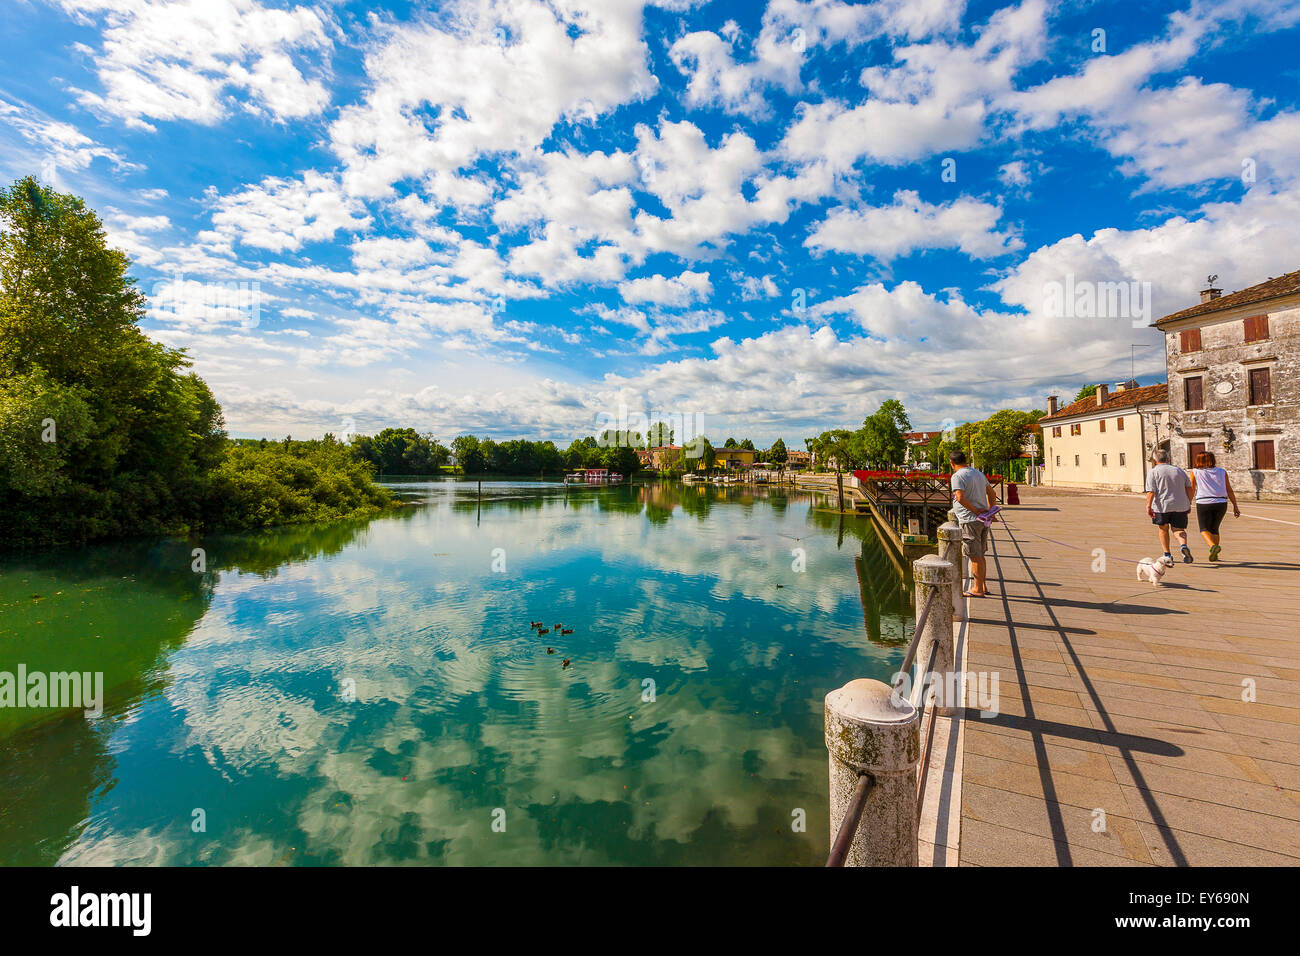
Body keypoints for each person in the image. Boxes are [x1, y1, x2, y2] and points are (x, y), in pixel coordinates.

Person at [949, 451, 996, 597]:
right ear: (966, 460)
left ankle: (977, 589)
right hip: (983, 519)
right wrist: (989, 511)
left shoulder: (957, 476)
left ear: (952, 463)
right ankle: (982, 585)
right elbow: (992, 494)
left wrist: (975, 510)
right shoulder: (978, 474)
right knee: (980, 554)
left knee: (974, 555)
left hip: (969, 519)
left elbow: (960, 497)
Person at [1144, 448, 1194, 563]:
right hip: (1180, 505)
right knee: (1178, 529)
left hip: (1162, 506)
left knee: (1163, 529)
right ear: (1168, 459)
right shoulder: (1179, 471)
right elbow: (1189, 488)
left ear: (1155, 461)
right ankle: (1183, 546)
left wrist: (1148, 506)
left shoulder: (1153, 472)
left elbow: (1151, 491)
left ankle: (1167, 554)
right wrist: (1188, 502)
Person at [1189, 450, 1240, 562]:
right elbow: (1229, 489)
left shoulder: (1195, 472)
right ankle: (1215, 555)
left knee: (1204, 528)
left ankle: (1213, 547)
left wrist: (1188, 503)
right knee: (1214, 528)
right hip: (1221, 503)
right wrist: (1235, 506)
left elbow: (1192, 489)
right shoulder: (1222, 471)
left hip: (1204, 502)